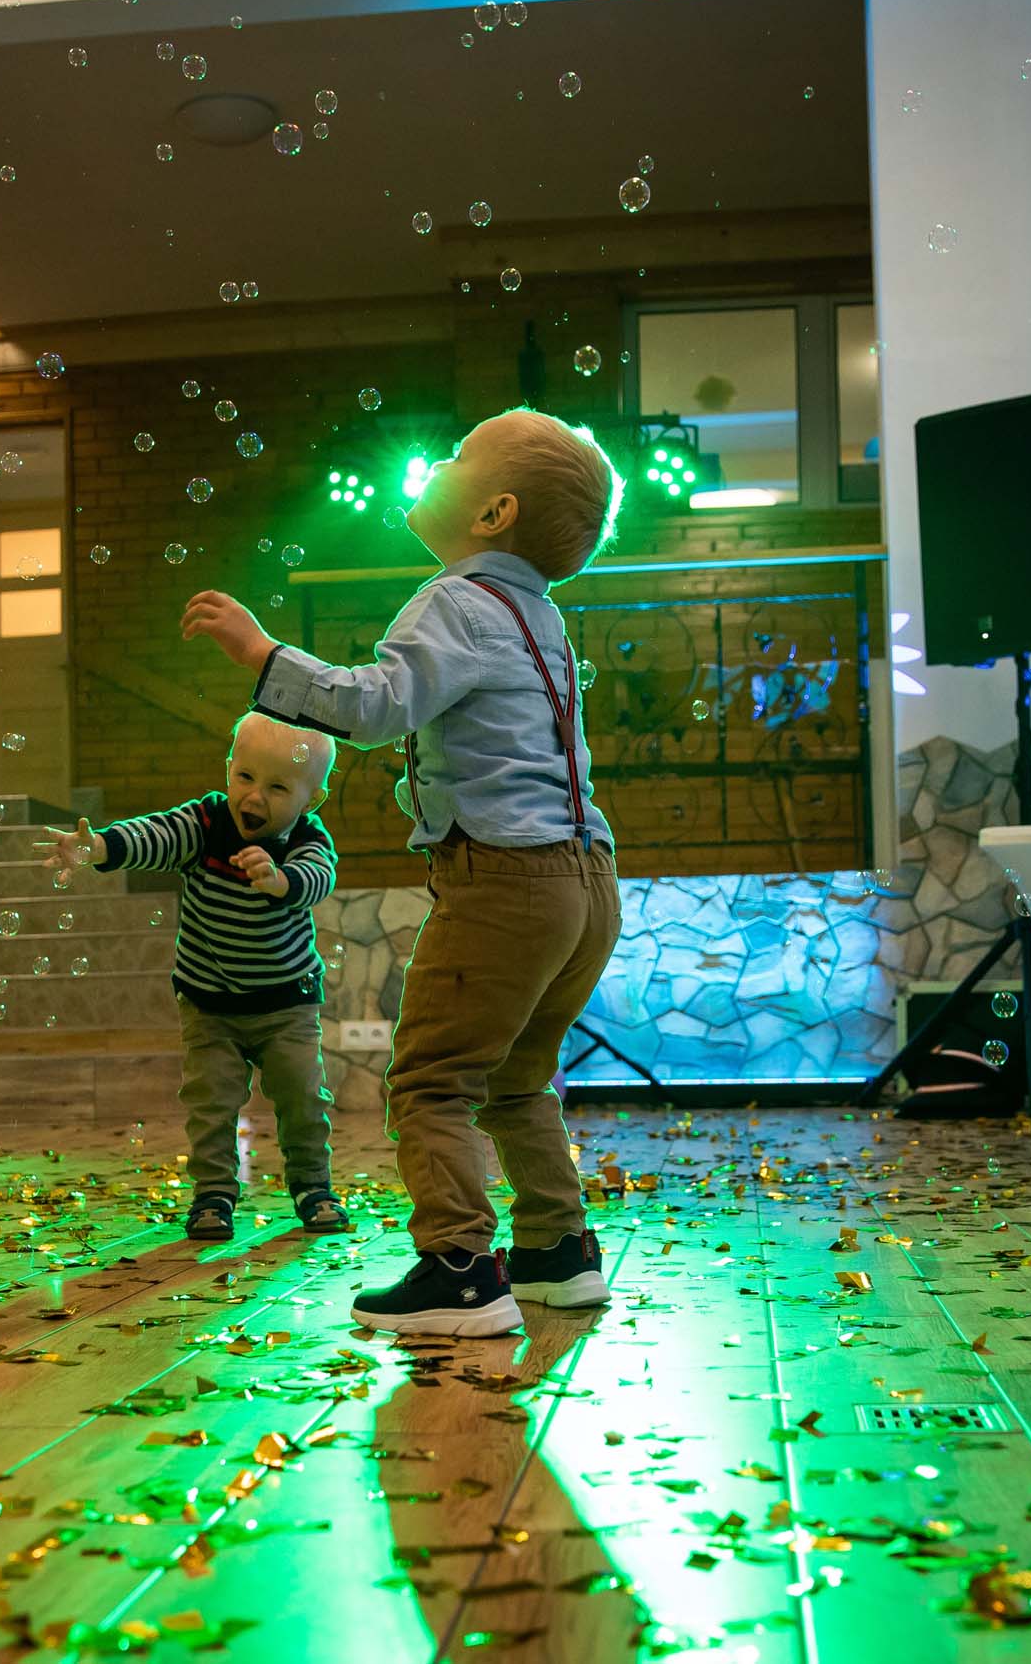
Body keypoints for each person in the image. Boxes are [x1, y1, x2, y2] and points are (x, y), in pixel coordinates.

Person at [183, 408, 623, 1337]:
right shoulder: (540, 613)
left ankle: (459, 1269)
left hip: (506, 880)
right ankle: (558, 1252)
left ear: (494, 512)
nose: (437, 463)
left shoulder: (455, 601)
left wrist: (263, 655)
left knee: (429, 1077)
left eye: (458, 456)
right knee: (519, 1076)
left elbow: (377, 706)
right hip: (587, 882)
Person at [36, 714, 350, 1241]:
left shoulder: (306, 839)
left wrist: (280, 880)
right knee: (211, 1105)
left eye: (278, 787)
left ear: (311, 800)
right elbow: (154, 835)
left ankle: (313, 1187)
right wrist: (101, 847)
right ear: (228, 770)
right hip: (209, 1005)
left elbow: (319, 877)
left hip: (286, 1005)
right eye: (245, 777)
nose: (255, 796)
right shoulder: (204, 824)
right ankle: (214, 1194)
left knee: (303, 1098)